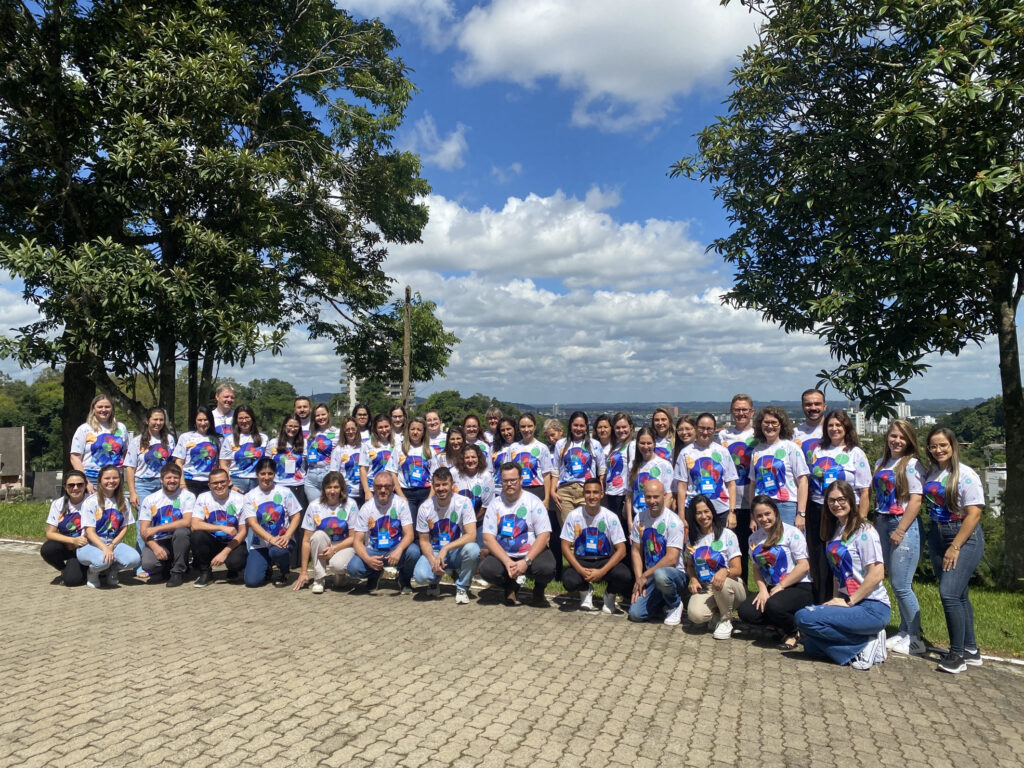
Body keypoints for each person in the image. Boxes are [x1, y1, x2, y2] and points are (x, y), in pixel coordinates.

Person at [794, 480, 890, 670]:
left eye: (841, 499)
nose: (836, 504)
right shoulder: (836, 531)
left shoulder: (865, 531)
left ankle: (865, 644)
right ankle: (862, 644)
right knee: (811, 645)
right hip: (848, 602)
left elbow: (877, 573)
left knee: (803, 617)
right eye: (831, 501)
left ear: (851, 500)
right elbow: (839, 575)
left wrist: (849, 602)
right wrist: (836, 600)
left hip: (872, 606)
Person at [922, 426, 986, 674]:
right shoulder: (933, 473)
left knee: (948, 593)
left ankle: (956, 655)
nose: (938, 450)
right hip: (938, 533)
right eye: (933, 446)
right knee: (959, 595)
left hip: (962, 535)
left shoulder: (966, 475)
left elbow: (974, 514)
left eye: (943, 445)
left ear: (953, 446)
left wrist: (956, 546)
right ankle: (970, 650)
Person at [806, 409, 871, 603]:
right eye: (831, 426)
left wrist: (862, 520)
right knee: (820, 559)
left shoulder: (855, 453)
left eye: (838, 425)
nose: (834, 429)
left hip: (847, 513)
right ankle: (821, 601)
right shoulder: (818, 450)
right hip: (819, 509)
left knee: (844, 558)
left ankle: (848, 601)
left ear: (846, 428)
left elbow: (865, 491)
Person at [873, 419, 925, 656]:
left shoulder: (912, 465)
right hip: (883, 520)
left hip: (901, 523)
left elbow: (915, 500)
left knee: (901, 584)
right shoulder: (881, 463)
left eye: (902, 437)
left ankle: (915, 636)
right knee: (894, 581)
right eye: (894, 436)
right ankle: (904, 631)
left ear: (909, 441)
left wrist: (901, 529)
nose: (897, 441)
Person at [738, 495, 813, 649]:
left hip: (799, 586)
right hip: (773, 588)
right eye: (759, 515)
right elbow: (756, 568)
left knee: (774, 605)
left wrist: (781, 586)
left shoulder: (792, 533)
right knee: (746, 611)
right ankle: (780, 626)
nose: (764, 518)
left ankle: (793, 631)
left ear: (775, 513)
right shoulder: (754, 538)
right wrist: (763, 590)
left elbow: (804, 565)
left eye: (767, 514)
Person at [480, 462, 556, 605]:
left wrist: (526, 561)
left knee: (547, 569)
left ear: (521, 480)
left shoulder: (534, 502)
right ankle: (510, 585)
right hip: (506, 554)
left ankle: (539, 589)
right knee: (487, 570)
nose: (509, 484)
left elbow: (544, 535)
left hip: (530, 553)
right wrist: (508, 562)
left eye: (513, 480)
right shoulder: (494, 505)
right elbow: (488, 538)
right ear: (501, 482)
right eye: (505, 481)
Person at [560, 477, 631, 613]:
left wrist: (602, 571)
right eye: (588, 492)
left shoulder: (611, 517)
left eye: (595, 492)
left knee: (624, 575)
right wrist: (580, 569)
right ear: (583, 494)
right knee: (569, 580)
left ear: (601, 494)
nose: (591, 496)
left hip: (604, 559)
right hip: (582, 559)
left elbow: (621, 550)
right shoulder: (573, 516)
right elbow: (564, 546)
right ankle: (585, 590)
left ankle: (609, 595)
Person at [412, 467, 480, 604]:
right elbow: (424, 541)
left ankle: (462, 587)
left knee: (473, 549)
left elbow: (471, 535)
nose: (441, 488)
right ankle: (434, 580)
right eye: (437, 485)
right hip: (435, 551)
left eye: (445, 484)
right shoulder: (425, 508)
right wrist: (432, 560)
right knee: (420, 577)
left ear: (452, 485)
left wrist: (446, 548)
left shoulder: (464, 502)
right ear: (433, 486)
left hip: (456, 550)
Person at [683, 495, 746, 639]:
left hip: (730, 585)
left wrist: (725, 571)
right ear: (693, 516)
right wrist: (693, 579)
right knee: (695, 615)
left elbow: (738, 569)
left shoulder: (727, 535)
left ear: (712, 512)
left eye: (706, 511)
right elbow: (690, 566)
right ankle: (716, 614)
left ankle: (725, 620)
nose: (703, 516)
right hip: (707, 588)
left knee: (721, 582)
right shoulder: (691, 539)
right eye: (698, 513)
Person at [626, 478, 688, 625]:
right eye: (648, 497)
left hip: (673, 574)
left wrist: (645, 576)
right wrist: (639, 579)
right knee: (635, 614)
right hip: (651, 575)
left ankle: (675, 604)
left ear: (664, 496)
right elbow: (636, 550)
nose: (652, 501)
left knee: (661, 575)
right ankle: (660, 604)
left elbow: (672, 559)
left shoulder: (673, 522)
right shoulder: (639, 518)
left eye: (656, 497)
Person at [347, 471, 420, 593]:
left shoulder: (401, 503)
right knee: (353, 568)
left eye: (386, 487)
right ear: (374, 488)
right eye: (379, 487)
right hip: (373, 550)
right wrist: (367, 559)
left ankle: (404, 579)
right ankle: (374, 574)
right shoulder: (366, 507)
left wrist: (398, 551)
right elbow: (357, 541)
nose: (382, 490)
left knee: (414, 552)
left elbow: (409, 534)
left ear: (392, 488)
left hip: (395, 548)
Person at [76, 465, 142, 588]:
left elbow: (124, 527)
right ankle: (93, 572)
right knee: (103, 560)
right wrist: (104, 548)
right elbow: (89, 532)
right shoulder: (90, 502)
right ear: (100, 480)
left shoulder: (123, 501)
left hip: (112, 541)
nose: (111, 481)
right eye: (107, 478)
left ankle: (112, 570)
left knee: (135, 559)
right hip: (90, 543)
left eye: (115, 478)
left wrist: (111, 545)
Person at [241, 457, 303, 587]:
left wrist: (287, 535)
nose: (266, 477)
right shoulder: (249, 496)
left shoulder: (285, 492)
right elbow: (252, 523)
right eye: (263, 473)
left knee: (277, 552)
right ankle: (267, 566)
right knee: (252, 582)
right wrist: (270, 539)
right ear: (257, 474)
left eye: (270, 473)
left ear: (275, 474)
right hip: (260, 544)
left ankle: (284, 571)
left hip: (282, 540)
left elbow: (296, 516)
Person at [293, 471, 358, 594]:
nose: (332, 491)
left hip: (343, 545)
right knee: (317, 535)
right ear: (323, 489)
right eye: (329, 487)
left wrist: (334, 549)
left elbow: (353, 537)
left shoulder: (351, 505)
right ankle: (319, 578)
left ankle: (340, 575)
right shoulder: (314, 506)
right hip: (323, 545)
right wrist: (303, 572)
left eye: (336, 487)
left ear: (342, 488)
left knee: (337, 565)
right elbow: (306, 540)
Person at [748, 406, 809, 527]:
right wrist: (752, 515)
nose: (770, 426)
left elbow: (803, 481)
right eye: (766, 422)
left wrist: (801, 514)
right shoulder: (757, 451)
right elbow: (753, 484)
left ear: (781, 425)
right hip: (762, 508)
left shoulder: (790, 448)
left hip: (786, 505)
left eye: (774, 423)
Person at [674, 413, 738, 528]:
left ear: (714, 430)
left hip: (721, 510)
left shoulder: (722, 452)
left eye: (709, 429)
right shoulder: (685, 453)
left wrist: (732, 512)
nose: (705, 432)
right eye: (702, 428)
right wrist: (681, 517)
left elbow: (731, 484)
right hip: (695, 512)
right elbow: (682, 486)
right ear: (696, 429)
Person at [138, 463, 196, 586]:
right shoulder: (150, 499)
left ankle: (178, 572)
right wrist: (155, 547)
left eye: (175, 478)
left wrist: (157, 528)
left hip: (179, 538)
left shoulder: (188, 496)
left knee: (182, 531)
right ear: (161, 479)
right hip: (160, 540)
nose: (172, 481)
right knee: (148, 564)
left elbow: (187, 521)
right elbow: (143, 530)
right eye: (168, 478)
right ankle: (167, 566)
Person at [718, 394, 756, 583]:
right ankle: (738, 593)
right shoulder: (723, 436)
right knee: (734, 550)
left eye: (744, 410)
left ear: (751, 412)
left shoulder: (759, 434)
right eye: (737, 410)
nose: (741, 413)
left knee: (757, 551)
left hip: (755, 503)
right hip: (730, 503)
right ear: (731, 412)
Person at [190, 467, 248, 587]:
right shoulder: (203, 497)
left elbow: (243, 532)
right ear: (209, 485)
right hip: (212, 541)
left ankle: (233, 570)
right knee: (197, 535)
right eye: (215, 483)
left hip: (233, 542)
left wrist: (225, 552)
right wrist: (221, 528)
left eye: (222, 482)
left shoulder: (241, 499)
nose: (219, 486)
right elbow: (195, 524)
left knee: (236, 562)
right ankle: (206, 573)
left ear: (228, 482)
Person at [552, 411, 607, 522]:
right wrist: (552, 491)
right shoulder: (561, 444)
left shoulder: (594, 444)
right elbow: (555, 470)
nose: (578, 428)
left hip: (586, 491)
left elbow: (602, 469)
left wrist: (600, 488)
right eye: (575, 425)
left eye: (582, 425)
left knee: (587, 528)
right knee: (567, 530)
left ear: (586, 427)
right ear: (570, 426)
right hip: (565, 491)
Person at [69, 394, 129, 494]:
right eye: (100, 407)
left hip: (114, 479)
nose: (104, 410)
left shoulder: (121, 428)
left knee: (113, 508)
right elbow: (75, 457)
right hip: (91, 478)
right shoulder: (84, 429)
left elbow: (127, 454)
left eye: (107, 407)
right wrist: (85, 481)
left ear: (112, 409)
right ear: (93, 409)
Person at [40, 470, 89, 587]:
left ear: (85, 485)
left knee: (71, 581)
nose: (75, 488)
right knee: (48, 548)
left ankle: (93, 569)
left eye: (80, 484)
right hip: (69, 546)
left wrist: (81, 542)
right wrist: (72, 541)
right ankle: (64, 569)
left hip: (87, 546)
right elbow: (50, 533)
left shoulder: (93, 501)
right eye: (71, 485)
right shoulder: (58, 504)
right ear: (65, 487)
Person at [125, 406, 176, 511]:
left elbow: (173, 464)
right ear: (147, 421)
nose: (158, 422)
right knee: (145, 518)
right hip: (143, 485)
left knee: (163, 517)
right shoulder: (136, 441)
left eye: (161, 420)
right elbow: (130, 468)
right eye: (155, 419)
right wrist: (132, 492)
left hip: (164, 484)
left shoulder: (169, 440)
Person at [625, 428, 674, 534]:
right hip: (638, 518)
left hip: (657, 518)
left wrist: (660, 518)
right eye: (642, 443)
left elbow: (669, 495)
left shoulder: (664, 465)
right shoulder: (632, 466)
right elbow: (629, 495)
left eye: (649, 443)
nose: (646, 447)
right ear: (637, 444)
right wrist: (629, 521)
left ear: (654, 444)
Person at [389, 416, 437, 515]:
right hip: (406, 493)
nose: (415, 432)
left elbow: (435, 476)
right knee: (410, 526)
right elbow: (393, 473)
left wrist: (429, 498)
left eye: (419, 430)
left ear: (424, 432)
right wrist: (401, 496)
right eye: (412, 429)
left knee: (424, 526)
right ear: (408, 431)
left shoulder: (430, 451)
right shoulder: (399, 448)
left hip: (425, 493)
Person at [451, 444, 494, 551]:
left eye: (473, 457)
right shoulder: (453, 473)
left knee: (481, 551)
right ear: (462, 459)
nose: (470, 460)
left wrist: (469, 524)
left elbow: (485, 506)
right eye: (467, 457)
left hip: (479, 521)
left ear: (479, 458)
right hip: (456, 521)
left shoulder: (486, 476)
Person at [173, 406, 221, 496]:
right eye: (200, 420)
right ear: (195, 421)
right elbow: (179, 462)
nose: (203, 423)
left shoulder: (219, 439)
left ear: (210, 420)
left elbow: (221, 462)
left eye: (206, 420)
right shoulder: (185, 437)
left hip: (211, 483)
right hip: (189, 481)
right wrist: (182, 483)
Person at [219, 405, 267, 494]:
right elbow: (223, 464)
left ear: (252, 418)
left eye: (247, 417)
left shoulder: (263, 438)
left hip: (257, 481)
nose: (244, 421)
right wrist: (230, 484)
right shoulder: (230, 439)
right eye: (240, 418)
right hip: (236, 480)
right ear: (236, 420)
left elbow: (267, 462)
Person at [511, 412, 555, 506]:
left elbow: (546, 475)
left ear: (535, 427)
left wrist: (546, 499)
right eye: (523, 426)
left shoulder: (542, 448)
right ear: (519, 428)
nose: (526, 429)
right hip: (517, 489)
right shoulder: (513, 448)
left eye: (529, 426)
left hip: (537, 490)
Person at [603, 412, 635, 524]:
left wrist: (628, 499)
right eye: (617, 428)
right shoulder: (617, 446)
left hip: (622, 495)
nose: (621, 430)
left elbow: (633, 472)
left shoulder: (632, 445)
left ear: (631, 427)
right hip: (612, 494)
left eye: (624, 427)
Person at [304, 403, 340, 501]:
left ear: (328, 414)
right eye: (317, 415)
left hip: (329, 474)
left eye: (323, 414)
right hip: (311, 477)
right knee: (316, 511)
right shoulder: (311, 433)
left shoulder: (337, 432)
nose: (320, 417)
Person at [360, 414, 396, 499]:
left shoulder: (396, 444)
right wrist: (367, 491)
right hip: (373, 489)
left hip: (391, 489)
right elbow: (363, 470)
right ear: (375, 429)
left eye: (386, 426)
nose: (384, 430)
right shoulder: (367, 445)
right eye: (380, 427)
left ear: (390, 426)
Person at [330, 417, 364, 507]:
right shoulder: (338, 450)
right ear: (343, 431)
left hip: (363, 493)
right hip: (347, 494)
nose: (350, 432)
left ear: (357, 429)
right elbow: (334, 474)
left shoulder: (364, 447)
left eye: (353, 429)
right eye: (347, 429)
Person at [793, 388, 827, 467]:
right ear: (802, 407)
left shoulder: (837, 432)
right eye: (808, 404)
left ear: (824, 406)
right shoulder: (794, 434)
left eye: (817, 404)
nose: (813, 408)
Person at [489, 417, 520, 483]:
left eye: (508, 429)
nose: (506, 433)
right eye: (502, 430)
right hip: (497, 487)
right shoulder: (493, 448)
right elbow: (489, 470)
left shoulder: (522, 446)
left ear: (515, 429)